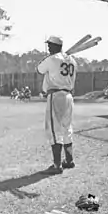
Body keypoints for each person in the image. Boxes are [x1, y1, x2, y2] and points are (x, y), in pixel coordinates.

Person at [37, 35, 77, 174]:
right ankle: (69, 160)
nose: (48, 47)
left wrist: (47, 59)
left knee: (54, 130)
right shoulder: (72, 60)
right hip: (69, 96)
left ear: (55, 46)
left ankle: (57, 165)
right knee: (67, 127)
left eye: (50, 45)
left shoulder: (51, 59)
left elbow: (40, 69)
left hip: (55, 95)